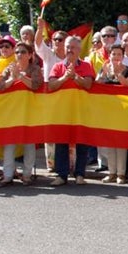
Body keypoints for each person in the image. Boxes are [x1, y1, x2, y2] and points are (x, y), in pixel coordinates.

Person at [47, 35, 95, 186]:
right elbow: (51, 86)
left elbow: (88, 84)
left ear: (79, 49)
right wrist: (64, 78)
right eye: (67, 47)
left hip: (81, 110)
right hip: (63, 111)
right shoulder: (57, 66)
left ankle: (80, 174)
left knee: (82, 142)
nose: (69, 50)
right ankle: (62, 175)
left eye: (73, 47)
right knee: (61, 142)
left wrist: (75, 77)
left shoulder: (86, 65)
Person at [0, 41, 43, 186]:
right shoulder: (9, 68)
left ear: (30, 55)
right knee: (9, 142)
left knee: (29, 143)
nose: (19, 55)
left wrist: (21, 77)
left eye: (23, 52)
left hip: (30, 111)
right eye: (17, 52)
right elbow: (0, 87)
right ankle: (8, 175)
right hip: (12, 111)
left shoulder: (35, 69)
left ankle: (27, 174)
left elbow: (36, 85)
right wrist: (12, 78)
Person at [95, 43, 128, 184]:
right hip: (108, 109)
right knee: (110, 141)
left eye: (119, 54)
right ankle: (111, 172)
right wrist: (104, 73)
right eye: (114, 54)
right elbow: (97, 83)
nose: (116, 57)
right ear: (110, 55)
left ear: (123, 56)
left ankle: (121, 174)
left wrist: (118, 73)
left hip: (123, 110)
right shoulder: (104, 68)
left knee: (121, 142)